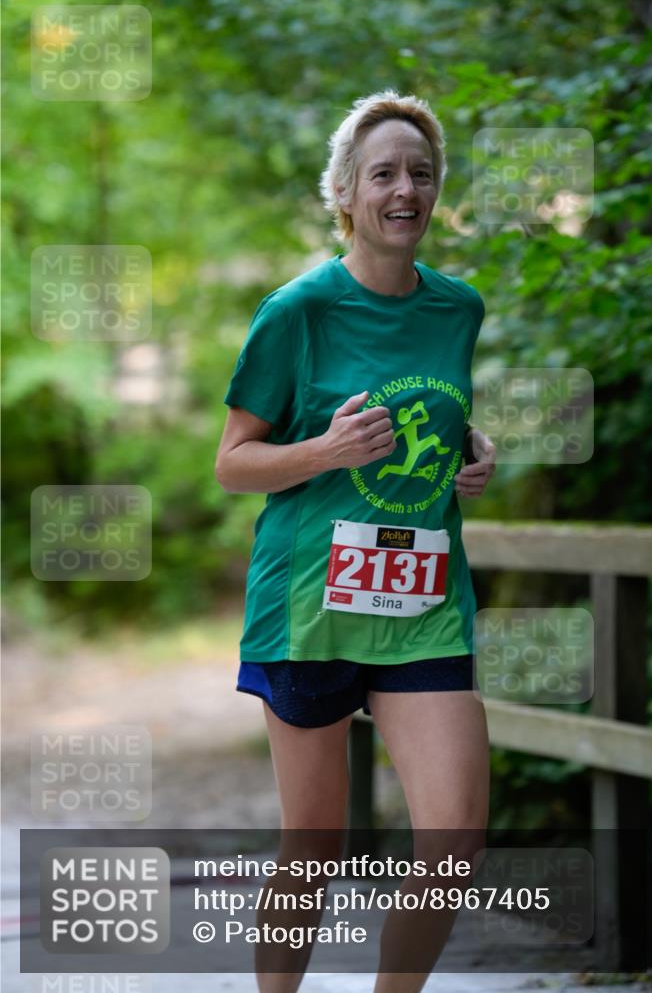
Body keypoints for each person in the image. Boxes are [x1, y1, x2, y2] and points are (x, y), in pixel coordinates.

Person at [215, 89, 496, 993]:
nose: (403, 190)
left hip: (420, 605)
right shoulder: (296, 311)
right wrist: (325, 450)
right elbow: (233, 463)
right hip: (310, 604)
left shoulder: (458, 310)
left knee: (452, 837)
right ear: (346, 193)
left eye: (420, 173)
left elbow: (432, 411)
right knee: (315, 851)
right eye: (383, 174)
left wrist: (468, 445)